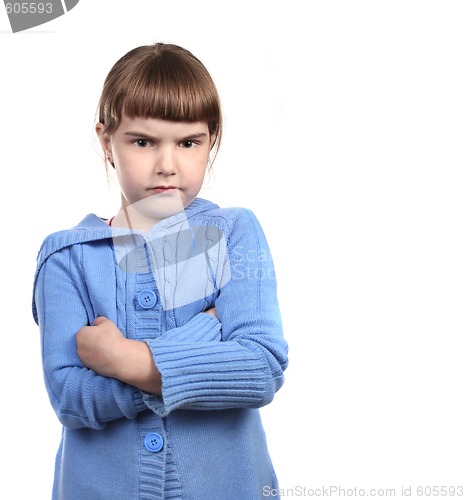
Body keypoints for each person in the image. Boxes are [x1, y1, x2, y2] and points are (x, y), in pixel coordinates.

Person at [32, 42, 288, 500]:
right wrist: (203, 337)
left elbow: (261, 366)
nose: (167, 165)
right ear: (106, 140)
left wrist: (130, 360)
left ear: (212, 140)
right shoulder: (66, 257)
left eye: (189, 142)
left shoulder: (233, 234)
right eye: (143, 141)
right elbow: (70, 396)